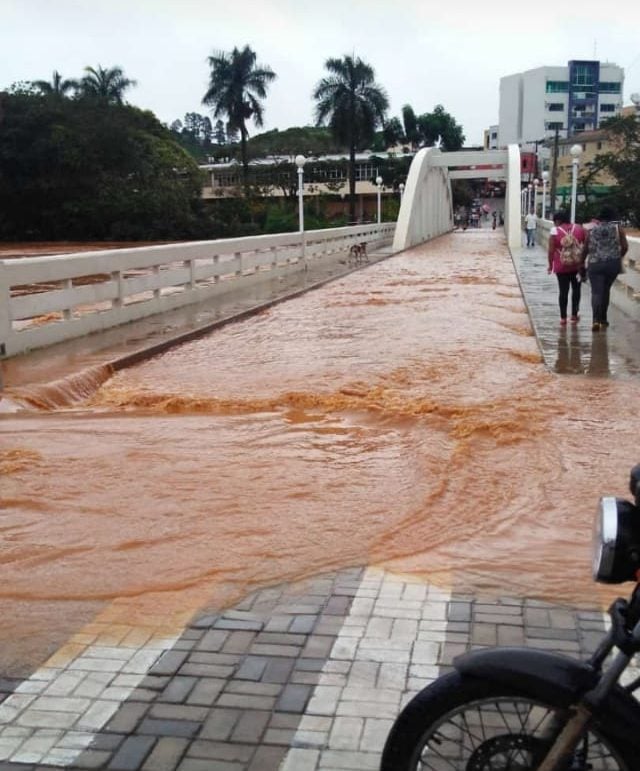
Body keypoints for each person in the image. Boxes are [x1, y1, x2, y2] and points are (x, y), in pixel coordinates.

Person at [584, 205, 628, 331]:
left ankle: (595, 320)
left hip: (595, 264)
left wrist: (581, 262)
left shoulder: (592, 229)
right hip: (612, 264)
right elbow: (624, 246)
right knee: (606, 290)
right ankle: (603, 319)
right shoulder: (617, 229)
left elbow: (586, 247)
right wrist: (617, 257)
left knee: (596, 292)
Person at [547, 209, 587, 325]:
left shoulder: (555, 231)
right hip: (577, 266)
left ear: (558, 220)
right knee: (576, 290)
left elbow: (551, 250)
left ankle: (563, 318)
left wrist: (550, 265)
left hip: (561, 266)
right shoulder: (580, 228)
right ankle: (574, 315)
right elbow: (586, 246)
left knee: (563, 291)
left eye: (555, 221)